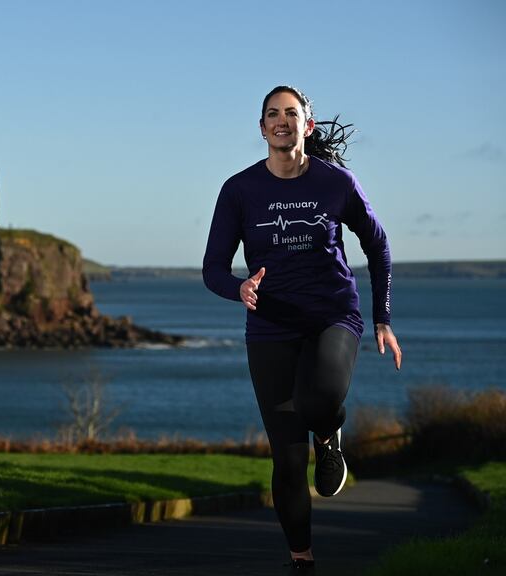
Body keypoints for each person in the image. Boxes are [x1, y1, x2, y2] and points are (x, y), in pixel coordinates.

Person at [202, 85, 402, 574]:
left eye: (291, 113)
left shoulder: (337, 183)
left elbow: (378, 246)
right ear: (262, 128)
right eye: (272, 114)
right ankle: (302, 561)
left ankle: (330, 437)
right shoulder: (239, 190)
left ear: (307, 126)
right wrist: (240, 289)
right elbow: (212, 269)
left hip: (332, 316)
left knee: (315, 402)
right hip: (269, 329)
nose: (281, 120)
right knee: (287, 461)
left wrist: (383, 318)